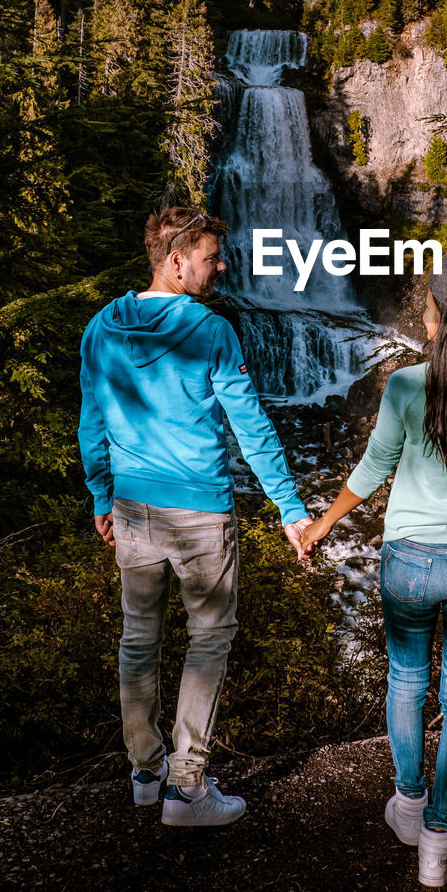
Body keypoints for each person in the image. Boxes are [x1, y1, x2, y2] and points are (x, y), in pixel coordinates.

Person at [300, 255, 447, 887]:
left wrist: (323, 524)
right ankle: (439, 838)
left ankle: (408, 802)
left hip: (410, 558)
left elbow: (374, 469)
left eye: (430, 306)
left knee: (406, 682)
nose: (424, 314)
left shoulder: (407, 385)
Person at [78, 206, 312, 827]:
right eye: (212, 257)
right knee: (208, 639)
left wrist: (102, 498)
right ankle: (187, 788)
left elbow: (93, 421)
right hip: (201, 511)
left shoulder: (103, 327)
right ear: (175, 261)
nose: (222, 266)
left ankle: (146, 773)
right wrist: (290, 506)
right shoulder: (211, 331)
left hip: (132, 510)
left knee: (138, 638)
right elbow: (251, 426)